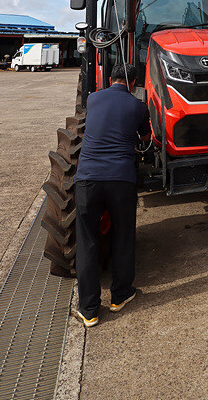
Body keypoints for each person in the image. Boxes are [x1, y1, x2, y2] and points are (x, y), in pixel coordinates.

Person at [74, 61, 151, 327]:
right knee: (123, 236)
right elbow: (145, 137)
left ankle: (89, 310)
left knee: (87, 241)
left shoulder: (94, 99)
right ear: (134, 84)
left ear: (110, 79)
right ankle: (120, 296)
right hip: (121, 179)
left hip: (87, 180)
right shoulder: (139, 106)